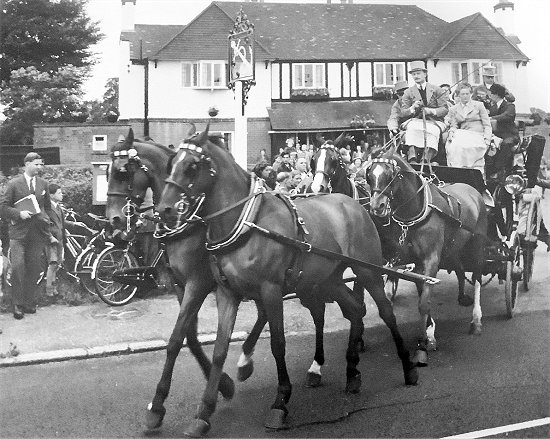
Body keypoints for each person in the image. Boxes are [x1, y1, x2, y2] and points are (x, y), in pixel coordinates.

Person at [0, 152, 53, 319]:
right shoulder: (14, 184)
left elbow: (48, 208)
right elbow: (3, 207)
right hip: (18, 234)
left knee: (34, 269)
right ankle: (17, 304)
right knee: (17, 268)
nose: (40, 167)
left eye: (41, 164)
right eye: (36, 164)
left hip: (37, 234)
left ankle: (29, 302)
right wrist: (18, 213)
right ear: (27, 164)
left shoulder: (44, 184)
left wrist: (48, 223)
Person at [400, 60, 449, 164]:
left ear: (425, 74)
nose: (416, 76)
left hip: (435, 121)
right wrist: (412, 108)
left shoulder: (437, 90)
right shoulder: (408, 92)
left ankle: (426, 158)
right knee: (411, 128)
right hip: (416, 120)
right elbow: (403, 112)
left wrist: (431, 111)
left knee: (433, 131)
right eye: (414, 74)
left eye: (418, 73)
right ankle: (412, 157)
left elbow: (444, 109)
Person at [446, 83, 492, 177]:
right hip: (463, 133)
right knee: (455, 146)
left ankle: (477, 174)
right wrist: (451, 132)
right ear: (458, 95)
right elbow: (454, 125)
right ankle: (459, 173)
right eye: (463, 94)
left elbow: (487, 124)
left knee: (472, 147)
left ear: (470, 94)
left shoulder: (479, 105)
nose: (465, 96)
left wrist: (487, 139)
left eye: (467, 94)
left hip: (477, 134)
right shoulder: (453, 109)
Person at [486, 83, 520, 180]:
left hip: (510, 135)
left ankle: (500, 170)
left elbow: (507, 116)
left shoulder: (510, 106)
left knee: (505, 144)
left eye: (491, 93)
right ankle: (489, 170)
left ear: (496, 94)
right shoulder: (492, 107)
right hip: (496, 135)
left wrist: (491, 118)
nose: (489, 95)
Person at [45, 183, 66, 297]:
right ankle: (48, 290)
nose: (61, 195)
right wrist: (49, 236)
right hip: (51, 240)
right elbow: (43, 224)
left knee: (57, 264)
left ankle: (53, 287)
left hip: (59, 239)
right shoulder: (47, 208)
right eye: (59, 193)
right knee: (52, 263)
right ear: (51, 195)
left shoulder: (58, 208)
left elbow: (62, 224)